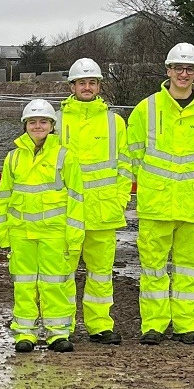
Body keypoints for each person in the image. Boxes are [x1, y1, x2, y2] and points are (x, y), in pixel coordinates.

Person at [127, 43, 194, 345]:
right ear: (168, 70)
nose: (184, 73)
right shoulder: (147, 108)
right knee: (153, 268)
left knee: (187, 270)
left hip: (193, 204)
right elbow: (133, 156)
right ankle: (153, 325)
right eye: (178, 68)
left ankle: (186, 325)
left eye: (190, 69)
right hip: (156, 203)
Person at [0, 99, 84, 353]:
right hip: (21, 233)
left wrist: (74, 234)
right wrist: (2, 231)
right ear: (25, 125)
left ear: (52, 125)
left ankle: (58, 333)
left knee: (54, 284)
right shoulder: (13, 158)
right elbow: (4, 197)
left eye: (43, 121)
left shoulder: (65, 156)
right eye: (32, 122)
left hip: (54, 233)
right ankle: (25, 333)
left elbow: (76, 197)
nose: (38, 126)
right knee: (24, 285)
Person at [57, 58, 131, 345]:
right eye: (81, 83)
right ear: (72, 86)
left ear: (99, 86)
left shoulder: (115, 122)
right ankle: (61, 326)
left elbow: (125, 165)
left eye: (92, 83)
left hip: (104, 210)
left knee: (101, 274)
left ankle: (100, 325)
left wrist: (120, 198)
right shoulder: (57, 121)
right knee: (63, 273)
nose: (86, 87)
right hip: (67, 211)